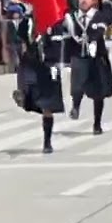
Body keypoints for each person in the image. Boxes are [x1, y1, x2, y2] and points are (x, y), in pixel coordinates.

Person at [12, 13, 67, 153]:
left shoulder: (54, 23)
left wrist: (55, 64)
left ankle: (47, 142)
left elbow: (58, 45)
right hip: (30, 63)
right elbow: (19, 40)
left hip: (48, 65)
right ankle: (23, 96)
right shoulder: (26, 22)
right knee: (29, 92)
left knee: (47, 105)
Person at [66, 0, 112, 134]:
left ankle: (97, 124)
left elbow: (100, 30)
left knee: (98, 93)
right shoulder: (72, 17)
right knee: (77, 83)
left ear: (93, 0)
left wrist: (92, 40)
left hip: (97, 57)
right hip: (78, 55)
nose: (84, 0)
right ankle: (76, 106)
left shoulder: (99, 16)